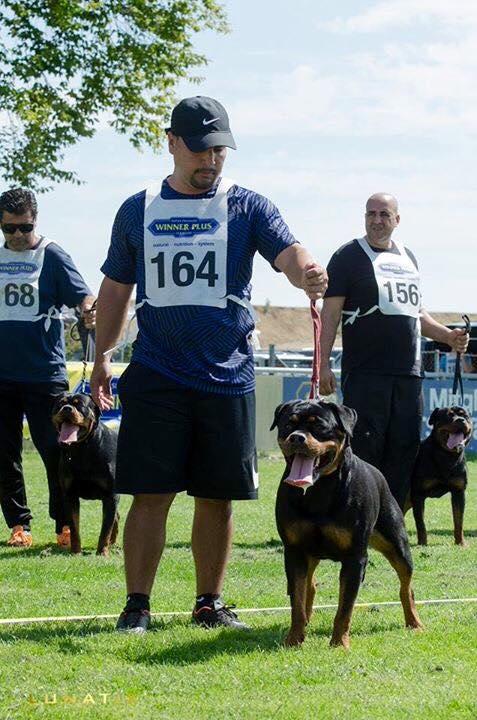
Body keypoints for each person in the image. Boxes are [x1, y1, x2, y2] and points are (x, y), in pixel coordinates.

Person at [90, 95, 328, 633]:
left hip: (227, 375)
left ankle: (209, 603)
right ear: (171, 142)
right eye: (200, 149)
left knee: (217, 497)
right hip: (156, 371)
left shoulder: (248, 205)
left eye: (220, 149)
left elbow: (289, 252)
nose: (211, 160)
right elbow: (116, 288)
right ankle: (136, 606)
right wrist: (102, 355)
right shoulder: (137, 208)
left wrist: (308, 270)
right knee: (151, 495)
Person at [319, 192, 468, 510]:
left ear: (397, 220)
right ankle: (359, 518)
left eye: (384, 214)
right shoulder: (347, 256)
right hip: (366, 374)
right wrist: (323, 364)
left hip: (408, 375)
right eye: (371, 214)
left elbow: (416, 313)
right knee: (365, 450)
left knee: (404, 450)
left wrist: (447, 335)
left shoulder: (408, 257)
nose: (377, 220)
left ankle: (392, 522)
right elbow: (330, 314)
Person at [0, 188, 96, 548]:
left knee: (57, 452)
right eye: (9, 229)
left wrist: (89, 309)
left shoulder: (52, 255)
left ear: (35, 221)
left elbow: (83, 295)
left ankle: (65, 524)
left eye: (24, 228)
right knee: (4, 455)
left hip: (44, 375)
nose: (17, 236)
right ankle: (18, 525)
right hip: (2, 375)